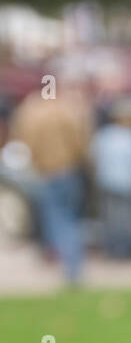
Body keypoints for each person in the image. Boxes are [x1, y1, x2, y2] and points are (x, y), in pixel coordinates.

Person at [11, 83, 91, 283]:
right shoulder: (68, 111)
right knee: (69, 219)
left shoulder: (32, 113)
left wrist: (37, 161)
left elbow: (25, 141)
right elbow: (80, 141)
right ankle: (72, 265)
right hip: (68, 170)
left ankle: (66, 265)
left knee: (55, 219)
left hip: (45, 172)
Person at [90, 102, 131, 258]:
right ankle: (125, 250)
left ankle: (111, 249)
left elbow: (94, 157)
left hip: (108, 182)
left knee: (110, 217)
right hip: (127, 184)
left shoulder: (104, 135)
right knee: (127, 218)